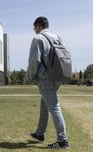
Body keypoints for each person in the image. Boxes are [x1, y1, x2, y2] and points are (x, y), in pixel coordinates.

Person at [25, 16, 69, 149]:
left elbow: (34, 61)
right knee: (45, 104)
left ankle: (62, 140)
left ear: (38, 26)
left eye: (34, 28)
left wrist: (30, 77)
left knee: (54, 106)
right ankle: (40, 134)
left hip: (45, 78)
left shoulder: (38, 39)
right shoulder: (58, 38)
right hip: (57, 77)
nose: (34, 31)